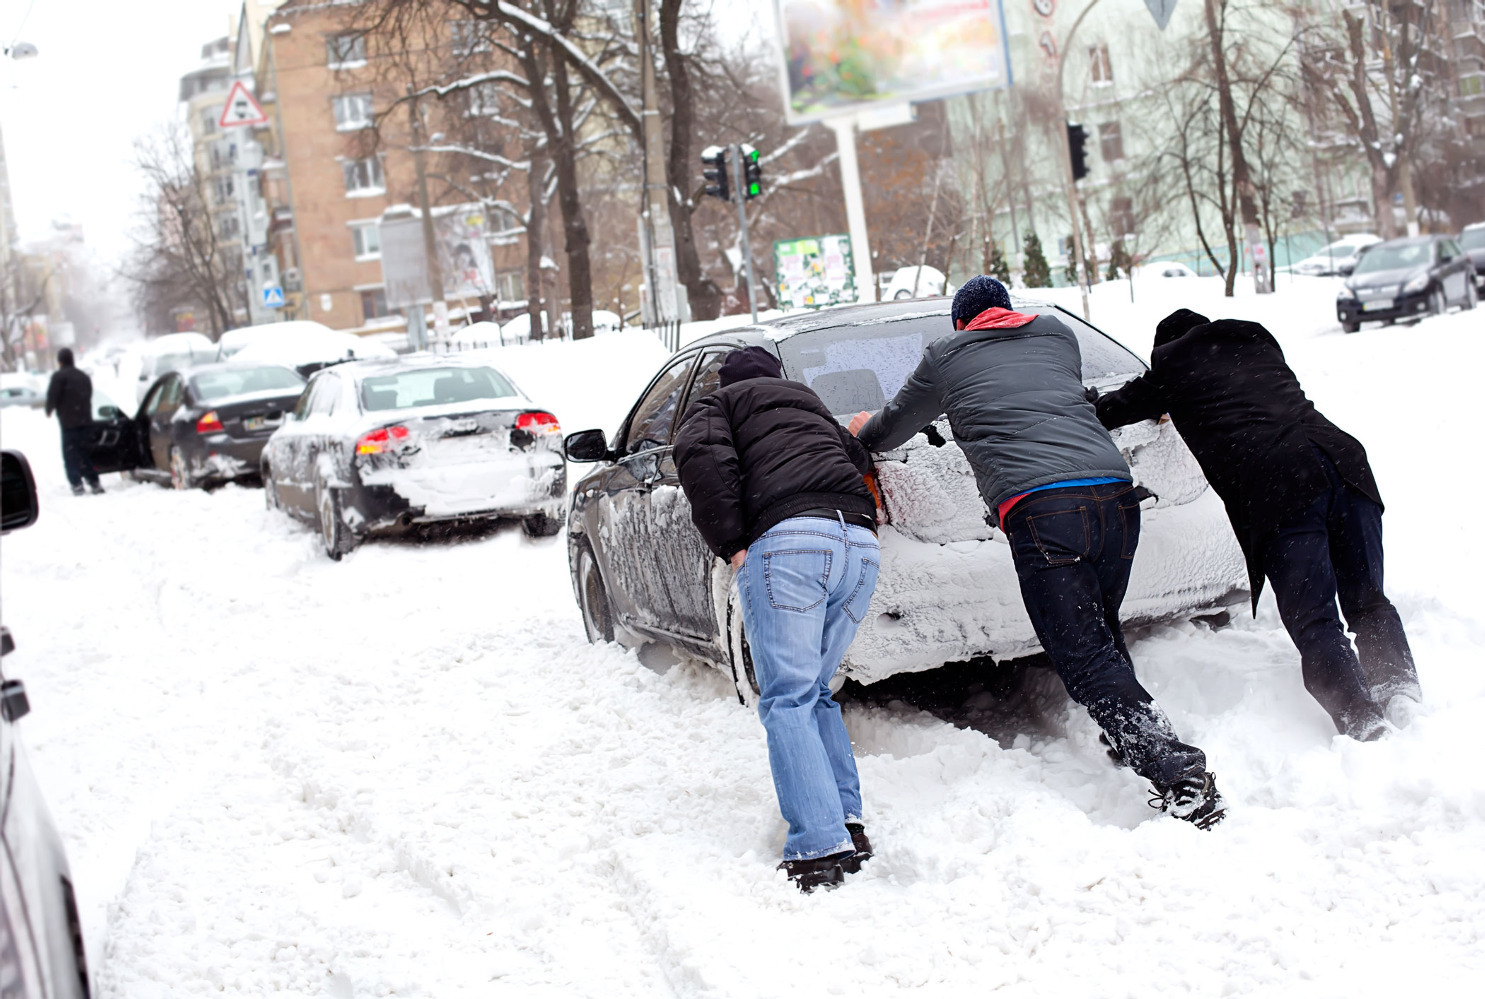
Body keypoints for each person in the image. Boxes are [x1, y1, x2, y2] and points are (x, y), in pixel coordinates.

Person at [848, 276, 1224, 829]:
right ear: (1009, 311)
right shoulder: (1057, 335)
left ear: (961, 322)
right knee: (1099, 629)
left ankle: (1178, 774)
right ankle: (1130, 736)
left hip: (1045, 511)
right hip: (1117, 499)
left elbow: (891, 428)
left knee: (1082, 657)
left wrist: (862, 430)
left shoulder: (945, 356)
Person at [1095, 309, 1417, 740]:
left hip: (1282, 485)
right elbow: (1244, 391)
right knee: (1368, 598)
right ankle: (1398, 690)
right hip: (1344, 463)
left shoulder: (1171, 369)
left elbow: (1110, 409)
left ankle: (1362, 719)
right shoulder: (1256, 340)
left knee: (1315, 616)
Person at [673, 346, 881, 891]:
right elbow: (857, 459)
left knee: (787, 696)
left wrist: (732, 542)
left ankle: (817, 845)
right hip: (859, 544)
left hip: (791, 543)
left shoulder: (717, 405)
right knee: (815, 691)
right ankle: (847, 823)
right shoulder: (810, 403)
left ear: (726, 381)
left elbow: (700, 459)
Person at [44, 348, 103, 496]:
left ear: (60, 361)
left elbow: (53, 396)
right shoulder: (83, 376)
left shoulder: (58, 377)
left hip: (69, 424)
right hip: (85, 422)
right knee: (85, 453)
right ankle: (94, 481)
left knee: (70, 455)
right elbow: (88, 395)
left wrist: (49, 409)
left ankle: (76, 483)